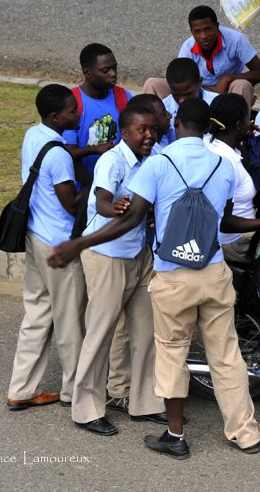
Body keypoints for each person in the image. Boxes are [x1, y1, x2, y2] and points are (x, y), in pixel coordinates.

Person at [48, 98, 260, 458]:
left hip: (173, 276)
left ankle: (175, 436)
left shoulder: (160, 164)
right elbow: (223, 221)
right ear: (209, 127)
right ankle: (245, 432)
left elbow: (131, 219)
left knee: (171, 353)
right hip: (213, 272)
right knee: (226, 355)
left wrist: (78, 243)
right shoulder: (224, 166)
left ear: (176, 122)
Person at [71, 106, 167, 436]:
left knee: (146, 333)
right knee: (101, 332)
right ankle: (86, 410)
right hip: (106, 256)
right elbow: (101, 202)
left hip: (139, 254)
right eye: (142, 130)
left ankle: (145, 404)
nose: (149, 135)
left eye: (152, 130)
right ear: (125, 133)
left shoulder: (154, 157)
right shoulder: (112, 160)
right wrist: (116, 209)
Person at [6, 84, 85, 411]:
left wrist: (93, 149)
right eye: (71, 110)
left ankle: (21, 390)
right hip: (59, 245)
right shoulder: (59, 157)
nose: (77, 113)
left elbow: (58, 155)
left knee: (37, 314)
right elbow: (71, 204)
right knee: (69, 323)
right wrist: (98, 188)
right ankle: (75, 392)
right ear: (56, 116)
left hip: (35, 235)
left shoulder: (34, 135)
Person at [205, 93, 260, 263]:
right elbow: (225, 223)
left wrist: (244, 136)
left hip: (234, 234)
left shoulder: (207, 142)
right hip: (235, 242)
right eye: (248, 119)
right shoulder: (226, 164)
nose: (251, 122)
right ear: (237, 125)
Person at [143, 5, 260, 111]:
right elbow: (180, 79)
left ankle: (239, 132)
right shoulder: (188, 47)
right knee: (152, 84)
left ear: (217, 26)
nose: (203, 36)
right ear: (192, 31)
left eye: (208, 29)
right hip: (196, 91)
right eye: (197, 31)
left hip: (229, 93)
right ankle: (152, 130)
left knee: (242, 85)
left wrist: (228, 78)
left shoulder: (236, 40)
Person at [63, 43, 132, 179]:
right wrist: (89, 187)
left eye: (114, 68)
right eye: (105, 70)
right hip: (82, 184)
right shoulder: (72, 103)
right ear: (87, 72)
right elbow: (67, 153)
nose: (113, 74)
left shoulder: (124, 97)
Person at [159, 58, 218, 146]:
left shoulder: (217, 103)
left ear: (199, 82)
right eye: (176, 94)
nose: (181, 100)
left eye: (188, 94)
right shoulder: (163, 111)